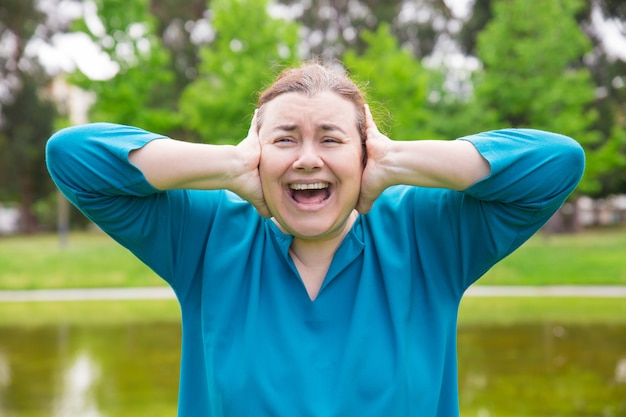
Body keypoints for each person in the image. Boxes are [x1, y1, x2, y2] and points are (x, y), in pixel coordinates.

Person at [46, 61, 585, 417]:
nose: (307, 158)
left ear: (364, 154)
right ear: (259, 152)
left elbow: (556, 163)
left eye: (331, 138)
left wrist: (395, 160)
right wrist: (231, 165)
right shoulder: (209, 232)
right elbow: (74, 156)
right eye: (285, 139)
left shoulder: (425, 232)